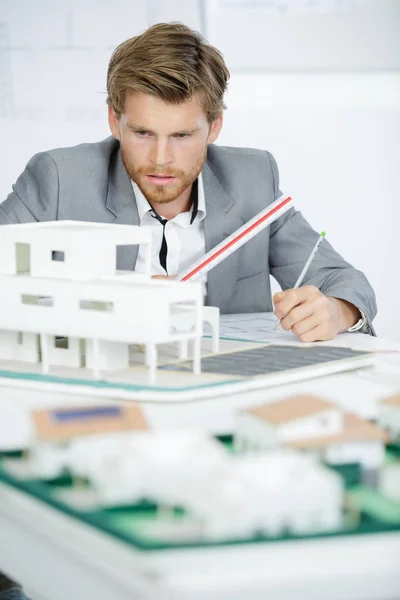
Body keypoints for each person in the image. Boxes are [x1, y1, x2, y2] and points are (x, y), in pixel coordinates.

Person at [0, 22, 376, 341]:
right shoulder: (58, 179)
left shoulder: (253, 180)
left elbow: (344, 280)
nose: (161, 158)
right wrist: (106, 303)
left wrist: (336, 310)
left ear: (214, 127)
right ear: (115, 121)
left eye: (181, 136)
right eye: (143, 133)